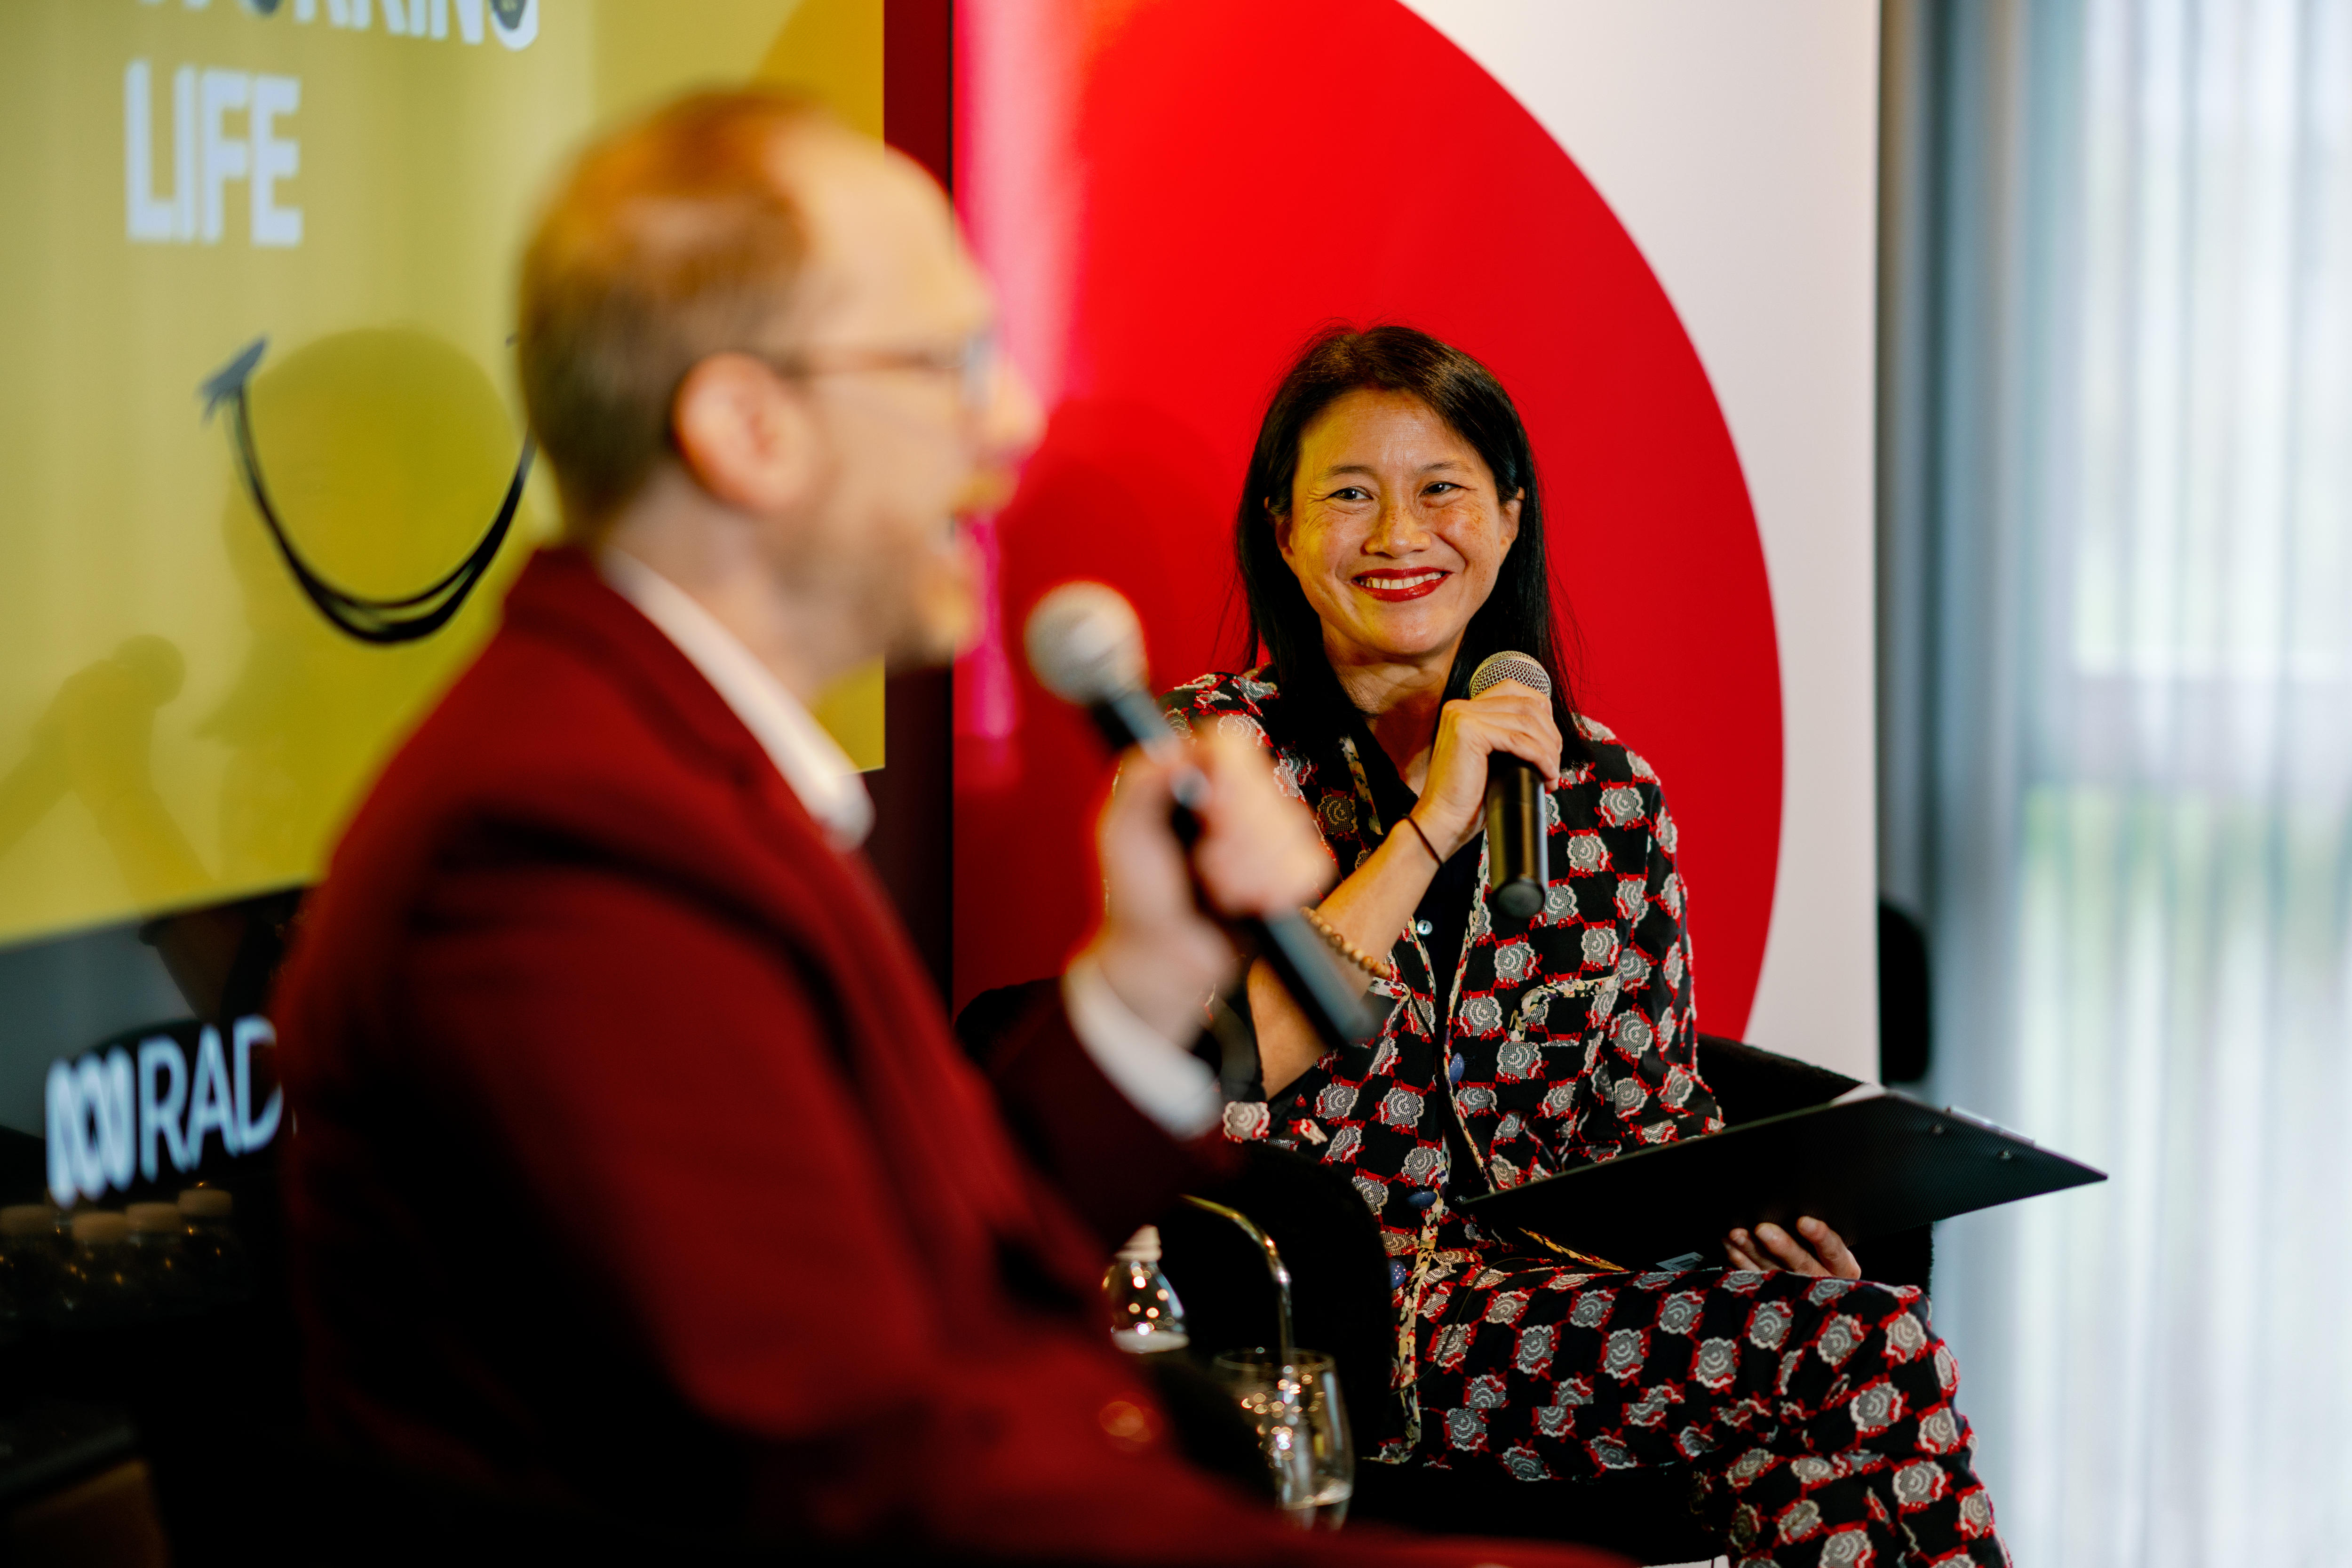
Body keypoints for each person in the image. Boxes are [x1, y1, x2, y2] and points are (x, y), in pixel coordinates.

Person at [271, 91, 1618, 1568]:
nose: (1011, 422)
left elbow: (917, 1270)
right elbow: (865, 1474)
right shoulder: (559, 841)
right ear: (746, 427)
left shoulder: (678, 770)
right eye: (939, 365)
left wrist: (1140, 995)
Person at [1166, 324, 2009, 1568]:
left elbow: (1648, 1113)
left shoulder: (1605, 789)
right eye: (1350, 495)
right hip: (1339, 1325)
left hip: (1566, 1301)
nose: (1400, 533)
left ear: (1507, 519)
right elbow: (1216, 1067)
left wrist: (1757, 1230)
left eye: (1442, 488)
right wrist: (1431, 825)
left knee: (1834, 1363)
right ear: (1287, 534)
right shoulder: (1212, 757)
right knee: (1859, 1356)